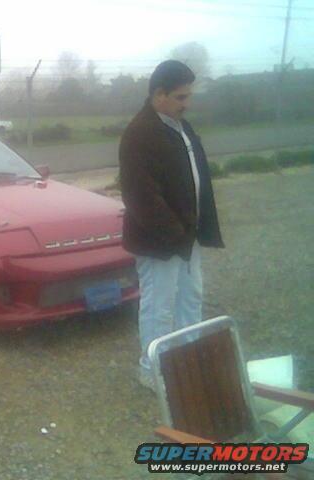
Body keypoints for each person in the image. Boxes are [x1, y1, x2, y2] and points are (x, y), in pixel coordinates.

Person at [118, 60, 224, 390]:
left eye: (188, 96)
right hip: (159, 242)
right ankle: (153, 370)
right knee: (159, 306)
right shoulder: (139, 134)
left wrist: (196, 229)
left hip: (186, 236)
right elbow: (140, 196)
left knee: (191, 298)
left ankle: (188, 360)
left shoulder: (180, 127)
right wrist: (175, 234)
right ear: (158, 94)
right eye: (180, 97)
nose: (186, 103)